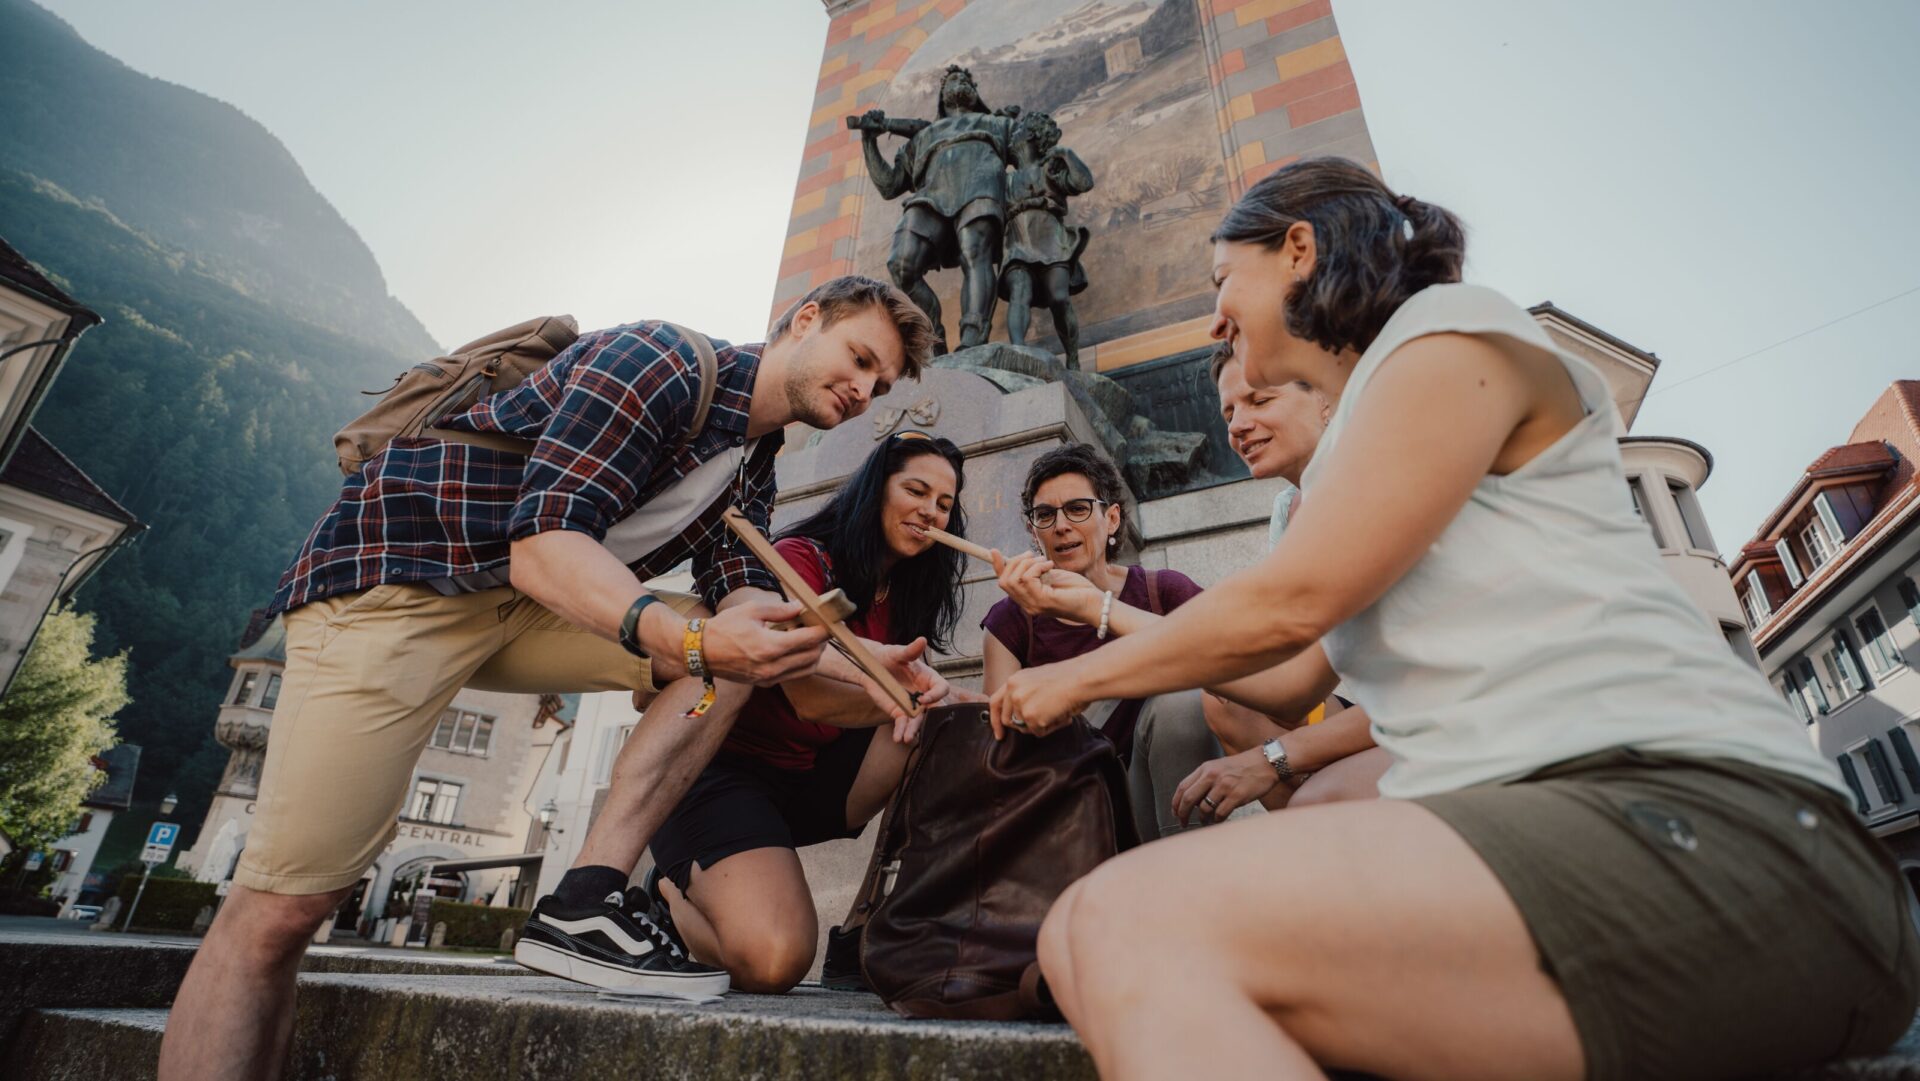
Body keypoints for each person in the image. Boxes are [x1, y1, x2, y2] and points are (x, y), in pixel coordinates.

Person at [995, 158, 1920, 1080]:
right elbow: (1284, 677)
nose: (1215, 319)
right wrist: (1099, 609)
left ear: (1299, 252)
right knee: (1083, 933)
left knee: (1126, 921)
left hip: (1722, 837)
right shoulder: (1342, 468)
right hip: (1562, 832)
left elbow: (1288, 607)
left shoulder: (1447, 333)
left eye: (1222, 282)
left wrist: (1076, 672)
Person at [158, 276, 946, 1081]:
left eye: (879, 384)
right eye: (858, 358)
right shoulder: (663, 359)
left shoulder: (753, 462)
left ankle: (586, 897)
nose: (862, 390)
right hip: (399, 585)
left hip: (522, 607)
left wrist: (843, 656)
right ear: (805, 319)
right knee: (280, 913)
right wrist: (697, 638)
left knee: (732, 653)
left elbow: (748, 606)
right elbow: (544, 546)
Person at [643, 431, 971, 994]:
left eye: (944, 503)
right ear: (876, 489)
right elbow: (808, 696)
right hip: (720, 775)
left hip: (809, 778)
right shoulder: (801, 560)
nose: (930, 511)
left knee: (950, 730)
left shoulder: (909, 593)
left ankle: (866, 925)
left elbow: (911, 703)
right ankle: (664, 894)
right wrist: (912, 697)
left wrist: (1002, 701)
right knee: (773, 963)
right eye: (916, 490)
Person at [982, 443, 1217, 842]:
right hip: (1070, 805)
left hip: (1162, 796)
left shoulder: (1166, 591)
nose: (1060, 526)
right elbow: (1001, 748)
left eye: (1077, 509)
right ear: (1033, 532)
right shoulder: (1010, 620)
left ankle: (1188, 876)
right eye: (1045, 515)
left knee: (1181, 702)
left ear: (1111, 519)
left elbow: (1234, 661)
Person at [1194, 343, 1388, 812]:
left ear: (1325, 397)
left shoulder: (1367, 483)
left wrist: (1272, 760)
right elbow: (1284, 659)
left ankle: (1327, 825)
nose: (1237, 425)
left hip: (1447, 710)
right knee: (1222, 698)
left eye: (1259, 401)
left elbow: (1298, 685)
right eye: (1228, 412)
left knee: (1312, 802)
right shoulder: (1289, 507)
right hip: (1374, 708)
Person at [999, 110, 1094, 370]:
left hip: (1052, 239)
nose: (1012, 137)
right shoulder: (1004, 180)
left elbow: (1084, 183)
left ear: (1030, 135)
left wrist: (1066, 155)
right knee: (1020, 290)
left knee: (1059, 298)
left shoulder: (1050, 169)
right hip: (1018, 240)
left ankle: (1073, 357)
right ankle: (1019, 349)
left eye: (1017, 131)